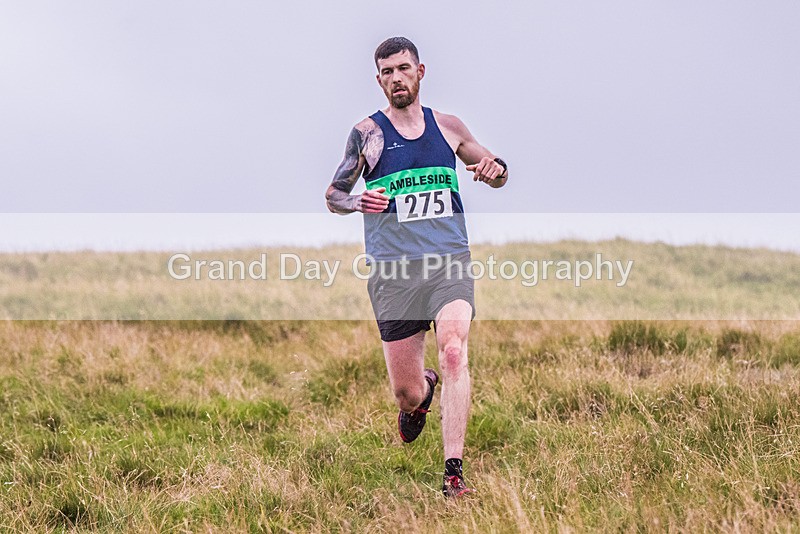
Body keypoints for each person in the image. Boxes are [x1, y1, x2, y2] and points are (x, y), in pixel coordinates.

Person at [324, 36, 508, 498]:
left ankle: (453, 475)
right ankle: (420, 395)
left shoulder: (446, 127)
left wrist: (494, 170)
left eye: (403, 69)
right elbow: (333, 195)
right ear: (379, 79)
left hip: (449, 263)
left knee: (452, 351)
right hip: (395, 274)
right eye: (386, 72)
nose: (396, 78)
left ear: (420, 72)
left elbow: (495, 165)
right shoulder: (367, 134)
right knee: (405, 393)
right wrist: (356, 199)